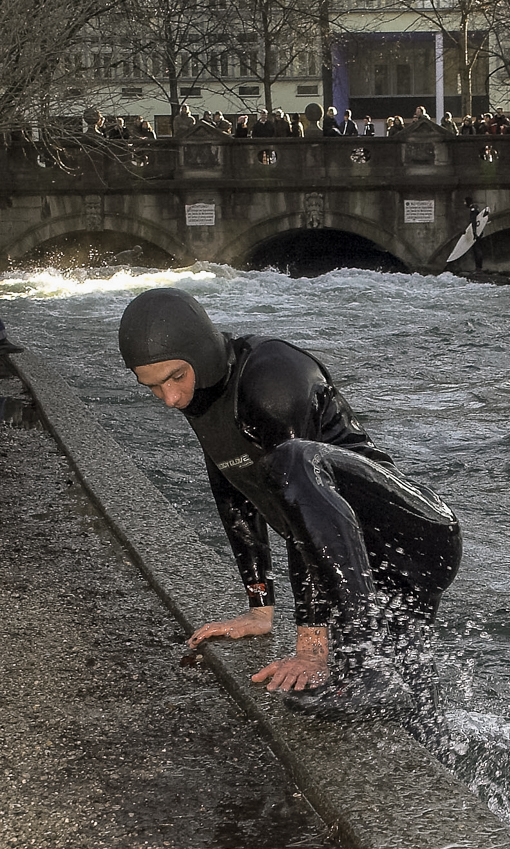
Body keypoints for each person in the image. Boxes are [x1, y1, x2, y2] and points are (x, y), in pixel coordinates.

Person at [117, 288, 462, 717]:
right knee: (413, 706)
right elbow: (233, 490)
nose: (169, 398)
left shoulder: (272, 375)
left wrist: (312, 647)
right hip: (361, 564)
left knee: (295, 459)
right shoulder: (201, 391)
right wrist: (260, 607)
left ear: (200, 354)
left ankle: (368, 668)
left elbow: (302, 505)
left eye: (174, 378)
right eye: (151, 387)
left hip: (413, 534)